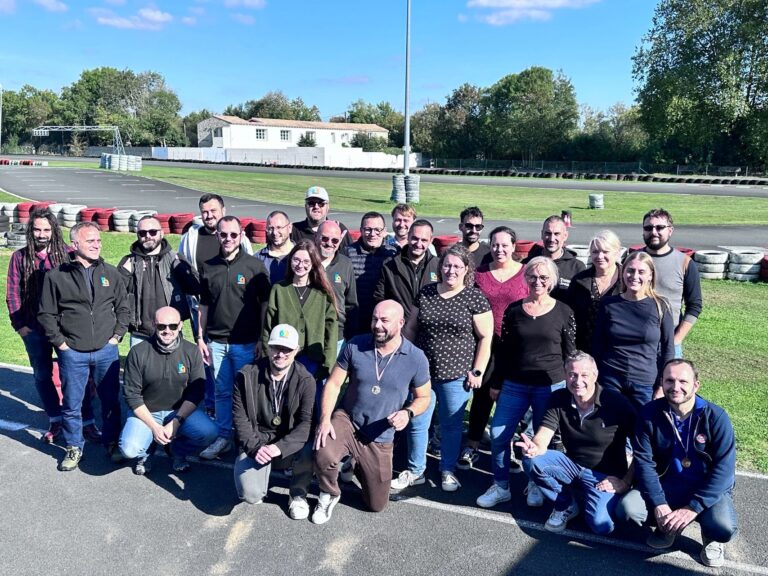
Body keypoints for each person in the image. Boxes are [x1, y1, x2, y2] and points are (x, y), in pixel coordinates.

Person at [312, 300, 432, 524]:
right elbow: (334, 384)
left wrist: (408, 413)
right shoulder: (356, 345)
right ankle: (329, 493)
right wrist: (325, 419)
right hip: (348, 419)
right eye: (375, 319)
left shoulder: (416, 358)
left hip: (380, 432)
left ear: (401, 323)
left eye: (385, 321)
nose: (377, 325)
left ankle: (352, 463)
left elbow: (423, 397)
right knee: (323, 450)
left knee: (376, 505)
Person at [476, 256, 576, 510]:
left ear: (552, 280)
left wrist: (570, 389)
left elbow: (570, 354)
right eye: (532, 276)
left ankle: (534, 482)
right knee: (499, 435)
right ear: (525, 278)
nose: (537, 282)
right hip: (515, 384)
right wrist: (496, 383)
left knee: (538, 441)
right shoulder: (514, 311)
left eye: (543, 277)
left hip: (550, 386)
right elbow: (505, 351)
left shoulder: (565, 312)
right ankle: (501, 485)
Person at [622, 359, 737, 568]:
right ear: (662, 383)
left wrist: (693, 508)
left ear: (696, 385)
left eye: (683, 381)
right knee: (628, 509)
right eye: (670, 381)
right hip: (668, 485)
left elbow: (724, 471)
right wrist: (659, 503)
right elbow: (644, 463)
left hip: (705, 488)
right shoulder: (649, 414)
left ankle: (710, 538)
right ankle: (667, 527)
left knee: (723, 527)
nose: (676, 387)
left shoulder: (716, 417)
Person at [397, 244, 493, 493]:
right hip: (422, 374)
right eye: (447, 265)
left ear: (466, 270)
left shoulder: (474, 297)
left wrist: (478, 371)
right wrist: (404, 360)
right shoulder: (427, 293)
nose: (451, 270)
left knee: (451, 425)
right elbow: (410, 329)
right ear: (440, 267)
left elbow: (485, 337)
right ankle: (415, 470)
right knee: (417, 421)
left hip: (457, 374)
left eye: (457, 266)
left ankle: (447, 470)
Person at [38, 221, 130, 471]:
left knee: (111, 402)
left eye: (98, 240)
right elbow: (46, 314)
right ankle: (74, 446)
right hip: (72, 353)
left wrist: (116, 337)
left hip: (106, 351)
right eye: (90, 241)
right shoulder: (56, 276)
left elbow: (123, 308)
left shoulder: (111, 273)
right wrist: (62, 345)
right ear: (75, 244)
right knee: (72, 404)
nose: (96, 245)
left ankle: (112, 443)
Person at [516, 352, 640, 534]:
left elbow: (644, 449)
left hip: (605, 476)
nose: (577, 381)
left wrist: (625, 482)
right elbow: (544, 435)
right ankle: (566, 504)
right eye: (572, 374)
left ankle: (595, 497)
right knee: (532, 461)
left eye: (584, 375)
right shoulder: (559, 398)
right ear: (565, 375)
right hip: (572, 466)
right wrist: (535, 447)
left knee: (601, 526)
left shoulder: (616, 403)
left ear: (595, 375)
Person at [6, 208, 98, 443]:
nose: (41, 234)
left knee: (75, 377)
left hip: (65, 329)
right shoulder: (19, 257)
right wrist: (20, 326)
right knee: (42, 375)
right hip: (34, 331)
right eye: (37, 229)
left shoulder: (67, 255)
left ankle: (86, 421)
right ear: (31, 230)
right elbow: (13, 294)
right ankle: (55, 420)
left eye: (46, 229)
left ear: (54, 230)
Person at [197, 216, 271, 460]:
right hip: (217, 342)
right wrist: (200, 336)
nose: (228, 239)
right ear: (217, 235)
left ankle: (245, 440)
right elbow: (204, 306)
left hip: (246, 342)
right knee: (221, 392)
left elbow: (264, 306)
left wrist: (262, 337)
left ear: (241, 236)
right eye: (223, 234)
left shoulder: (255, 266)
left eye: (233, 234)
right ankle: (223, 437)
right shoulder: (208, 266)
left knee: (246, 392)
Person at [118, 306, 217, 475]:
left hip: (178, 412)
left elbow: (196, 392)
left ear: (180, 326)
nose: (167, 331)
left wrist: (176, 422)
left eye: (172, 326)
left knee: (210, 433)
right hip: (147, 412)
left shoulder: (191, 351)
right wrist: (155, 427)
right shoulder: (138, 352)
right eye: (161, 326)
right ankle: (145, 453)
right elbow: (131, 395)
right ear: (154, 325)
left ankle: (177, 450)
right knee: (129, 449)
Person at [460, 226, 528, 469]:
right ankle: (473, 444)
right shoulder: (479, 274)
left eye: (505, 245)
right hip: (485, 344)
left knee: (512, 399)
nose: (499, 249)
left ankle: (507, 448)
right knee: (482, 396)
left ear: (513, 246)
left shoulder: (525, 273)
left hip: (516, 346)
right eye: (495, 244)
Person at [233, 324, 315, 519]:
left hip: (287, 441)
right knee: (250, 495)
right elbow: (240, 419)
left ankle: (298, 494)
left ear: (297, 350)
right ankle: (264, 474)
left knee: (308, 446)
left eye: (287, 349)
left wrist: (280, 447)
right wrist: (254, 448)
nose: (281, 354)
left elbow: (305, 424)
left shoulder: (306, 380)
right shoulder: (246, 375)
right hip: (258, 440)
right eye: (276, 347)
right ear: (268, 347)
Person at [179, 193, 252, 413]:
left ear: (223, 210)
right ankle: (212, 405)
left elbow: (248, 266)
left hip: (234, 312)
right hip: (201, 308)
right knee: (208, 357)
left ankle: (239, 408)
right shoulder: (192, 236)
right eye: (205, 212)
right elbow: (182, 262)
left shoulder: (237, 237)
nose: (209, 215)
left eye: (213, 211)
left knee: (234, 359)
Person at [592, 251, 675, 409]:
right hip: (610, 378)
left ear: (650, 275)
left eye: (641, 272)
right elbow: (598, 344)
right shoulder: (608, 304)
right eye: (630, 270)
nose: (634, 276)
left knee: (643, 429)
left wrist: (661, 386)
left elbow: (668, 349)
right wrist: (595, 377)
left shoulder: (661, 306)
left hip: (645, 382)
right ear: (623, 272)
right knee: (609, 429)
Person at [118, 215, 199, 347]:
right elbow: (115, 293)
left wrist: (183, 269)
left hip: (170, 332)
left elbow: (195, 288)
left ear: (161, 233)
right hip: (140, 335)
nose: (148, 236)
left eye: (152, 232)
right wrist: (125, 273)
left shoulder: (175, 258)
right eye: (142, 233)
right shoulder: (128, 261)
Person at [263, 241, 338, 381]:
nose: (300, 265)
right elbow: (268, 326)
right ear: (290, 260)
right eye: (296, 260)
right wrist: (265, 356)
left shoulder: (322, 293)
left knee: (310, 401)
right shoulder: (279, 289)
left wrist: (328, 363)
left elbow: (331, 330)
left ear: (313, 263)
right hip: (284, 358)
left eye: (306, 261)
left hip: (313, 360)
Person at [641, 208, 703, 358]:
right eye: (648, 228)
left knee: (669, 381)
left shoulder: (685, 263)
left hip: (668, 342)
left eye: (660, 227)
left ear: (670, 230)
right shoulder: (634, 260)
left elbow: (694, 306)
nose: (654, 232)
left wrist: (676, 341)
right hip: (637, 340)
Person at [566, 230, 623, 354]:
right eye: (595, 252)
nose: (600, 256)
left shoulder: (627, 280)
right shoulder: (579, 281)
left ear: (617, 252)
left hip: (617, 353)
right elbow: (569, 318)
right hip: (584, 351)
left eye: (605, 251)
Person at [373, 219, 439, 326]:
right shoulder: (390, 265)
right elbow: (380, 297)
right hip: (400, 329)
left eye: (424, 240)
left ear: (431, 240)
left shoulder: (439, 266)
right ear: (408, 236)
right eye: (415, 238)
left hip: (428, 330)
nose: (418, 244)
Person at [345, 211, 397, 333]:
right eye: (368, 229)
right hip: (355, 320)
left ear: (384, 231)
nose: (372, 234)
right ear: (361, 230)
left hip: (383, 321)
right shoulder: (348, 252)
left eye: (377, 230)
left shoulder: (393, 254)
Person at [315, 220, 358, 349]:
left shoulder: (346, 264)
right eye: (325, 238)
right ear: (316, 237)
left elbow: (351, 304)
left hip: (337, 336)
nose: (329, 243)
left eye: (334, 240)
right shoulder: (306, 262)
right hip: (308, 335)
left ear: (339, 241)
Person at [525, 215, 585, 299]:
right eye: (548, 233)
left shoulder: (577, 268)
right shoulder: (527, 264)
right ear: (542, 234)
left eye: (556, 234)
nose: (552, 239)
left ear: (565, 236)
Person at [255, 210, 294, 284]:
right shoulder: (257, 258)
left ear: (289, 228)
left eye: (279, 227)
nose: (275, 232)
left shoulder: (302, 256)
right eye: (271, 228)